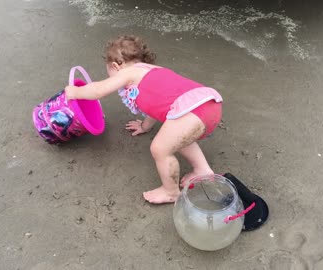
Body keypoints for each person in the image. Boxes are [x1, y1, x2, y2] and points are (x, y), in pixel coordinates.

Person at [65, 35, 223, 204]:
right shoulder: (151, 71)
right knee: (176, 137)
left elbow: (98, 90)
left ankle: (171, 192)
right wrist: (145, 126)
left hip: (192, 109)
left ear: (115, 66)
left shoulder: (128, 72)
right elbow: (155, 106)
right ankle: (202, 170)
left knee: (160, 148)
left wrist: (75, 92)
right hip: (208, 104)